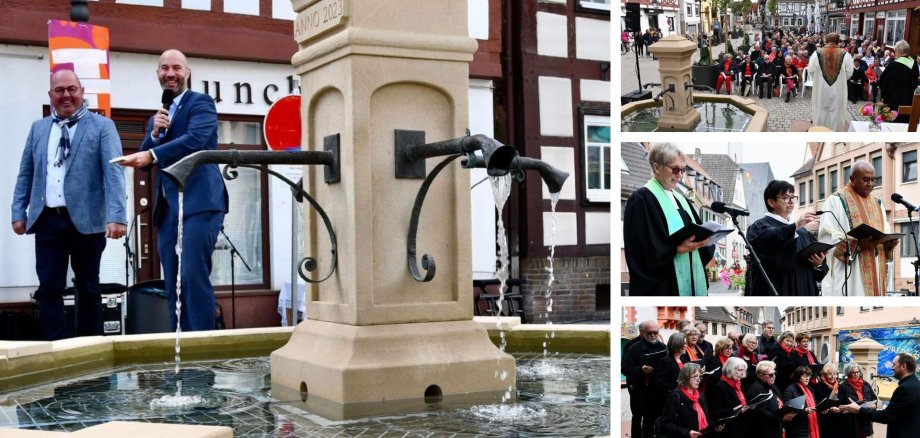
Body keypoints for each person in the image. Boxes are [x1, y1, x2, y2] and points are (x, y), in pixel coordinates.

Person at [11, 69, 127, 340]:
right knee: (49, 287)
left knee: (88, 286)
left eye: (72, 89)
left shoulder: (102, 126)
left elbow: (114, 173)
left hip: (88, 220)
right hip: (47, 220)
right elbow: (26, 172)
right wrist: (18, 211)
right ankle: (55, 347)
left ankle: (89, 347)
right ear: (50, 95)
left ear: (82, 91)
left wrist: (117, 216)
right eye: (59, 90)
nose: (66, 95)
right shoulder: (38, 128)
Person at [118, 49, 229, 331]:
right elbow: (145, 161)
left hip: (200, 203)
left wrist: (153, 153)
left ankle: (202, 345)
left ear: (187, 72)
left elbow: (196, 140)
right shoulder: (157, 118)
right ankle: (180, 341)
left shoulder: (201, 103)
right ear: (157, 73)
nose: (171, 74)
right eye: (165, 68)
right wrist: (154, 135)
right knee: (173, 282)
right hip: (168, 209)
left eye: (177, 68)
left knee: (192, 276)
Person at [623, 143, 715, 296]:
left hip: (692, 277)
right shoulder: (641, 199)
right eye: (675, 169)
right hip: (665, 285)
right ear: (657, 168)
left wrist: (707, 239)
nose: (680, 175)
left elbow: (697, 231)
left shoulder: (682, 200)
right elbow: (640, 250)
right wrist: (675, 249)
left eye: (682, 170)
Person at [818, 161, 897, 296]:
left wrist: (888, 245)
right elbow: (826, 236)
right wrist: (858, 246)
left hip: (877, 273)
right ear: (852, 179)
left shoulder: (878, 204)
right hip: (850, 275)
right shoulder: (835, 200)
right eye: (865, 180)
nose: (870, 184)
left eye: (873, 180)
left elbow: (885, 232)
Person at [747, 180, 828, 296]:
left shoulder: (803, 232)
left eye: (793, 197)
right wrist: (796, 225)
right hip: (779, 289)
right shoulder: (760, 227)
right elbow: (771, 242)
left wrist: (818, 263)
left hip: (805, 289)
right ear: (771, 202)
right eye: (785, 198)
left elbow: (819, 272)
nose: (791, 201)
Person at [840, 353, 920, 437]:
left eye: (894, 364)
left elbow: (887, 416)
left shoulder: (904, 388)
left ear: (903, 366)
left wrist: (860, 409)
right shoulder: (916, 384)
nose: (892, 368)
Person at [623, 320, 667, 438]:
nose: (653, 335)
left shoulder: (663, 347)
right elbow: (625, 368)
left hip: (657, 390)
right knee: (639, 416)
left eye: (655, 332)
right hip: (640, 389)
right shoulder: (633, 347)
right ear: (643, 332)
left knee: (657, 418)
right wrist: (641, 370)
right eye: (649, 333)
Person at [658, 363, 723, 438]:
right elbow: (665, 423)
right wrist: (687, 433)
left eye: (699, 376)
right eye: (695, 376)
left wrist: (715, 427)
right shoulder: (675, 396)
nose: (698, 380)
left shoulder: (700, 395)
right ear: (685, 377)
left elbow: (706, 419)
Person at [806, 33, 854, 130]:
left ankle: (819, 133)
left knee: (820, 110)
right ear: (838, 41)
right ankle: (834, 136)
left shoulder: (816, 53)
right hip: (838, 90)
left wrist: (819, 78)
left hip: (821, 89)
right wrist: (840, 79)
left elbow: (810, 71)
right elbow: (849, 73)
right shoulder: (845, 54)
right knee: (836, 112)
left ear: (826, 41)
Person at [708, 357, 752, 438]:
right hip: (729, 428)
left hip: (743, 424)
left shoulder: (739, 383)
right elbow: (715, 412)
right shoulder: (719, 387)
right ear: (730, 370)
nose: (743, 373)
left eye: (744, 370)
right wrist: (733, 410)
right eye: (740, 370)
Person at [746, 361, 792, 438]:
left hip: (776, 429)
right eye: (771, 374)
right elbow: (761, 412)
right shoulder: (755, 389)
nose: (774, 376)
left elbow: (780, 402)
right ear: (761, 376)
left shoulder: (772, 385)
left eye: (774, 373)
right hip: (763, 432)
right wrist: (781, 418)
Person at [878, 40, 920, 123]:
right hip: (908, 101)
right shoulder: (914, 64)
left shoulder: (894, 65)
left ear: (898, 52)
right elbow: (915, 82)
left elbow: (883, 83)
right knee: (904, 124)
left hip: (893, 102)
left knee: (892, 125)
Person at [838, 363, 877, 438]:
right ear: (849, 373)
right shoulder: (843, 386)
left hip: (864, 418)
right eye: (853, 372)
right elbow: (839, 404)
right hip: (851, 421)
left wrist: (873, 405)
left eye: (857, 372)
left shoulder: (866, 384)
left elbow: (874, 398)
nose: (856, 374)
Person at [654, 332, 688, 412]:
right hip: (673, 400)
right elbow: (659, 383)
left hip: (684, 398)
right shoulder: (665, 361)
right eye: (683, 343)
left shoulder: (684, 360)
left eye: (686, 343)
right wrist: (678, 386)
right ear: (676, 344)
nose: (686, 346)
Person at [783, 366, 820, 438]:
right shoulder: (790, 389)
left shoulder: (810, 390)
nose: (807, 378)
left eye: (809, 376)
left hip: (809, 427)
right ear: (798, 377)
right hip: (797, 429)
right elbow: (787, 411)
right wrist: (805, 411)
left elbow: (814, 406)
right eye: (804, 376)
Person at [813, 363, 845, 437]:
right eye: (830, 374)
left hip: (839, 423)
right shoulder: (817, 387)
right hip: (824, 423)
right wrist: (829, 409)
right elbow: (816, 405)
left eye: (834, 374)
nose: (833, 376)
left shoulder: (841, 388)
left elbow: (846, 403)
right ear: (824, 375)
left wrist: (841, 409)